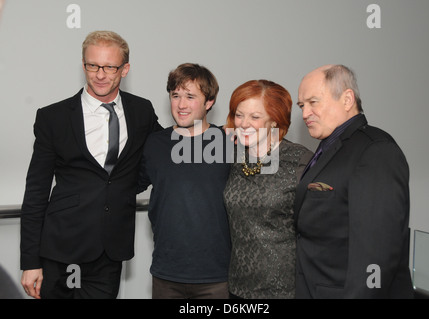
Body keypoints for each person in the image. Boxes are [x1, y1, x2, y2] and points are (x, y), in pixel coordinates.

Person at [20, 30, 162, 299]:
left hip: (110, 253)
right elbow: (36, 191)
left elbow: (163, 150)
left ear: (125, 69)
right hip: (60, 249)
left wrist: (215, 135)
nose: (100, 74)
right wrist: (30, 261)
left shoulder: (141, 111)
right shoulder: (53, 117)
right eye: (93, 65)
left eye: (109, 67)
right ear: (84, 65)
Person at [294, 64, 414, 298]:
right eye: (301, 106)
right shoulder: (329, 148)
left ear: (347, 99)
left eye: (313, 102)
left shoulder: (375, 151)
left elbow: (376, 255)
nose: (305, 113)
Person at [138, 63, 231, 299]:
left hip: (218, 275)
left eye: (190, 96)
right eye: (175, 95)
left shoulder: (229, 142)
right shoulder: (154, 144)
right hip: (166, 273)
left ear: (209, 102)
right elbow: (122, 187)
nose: (181, 104)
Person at [223, 80, 313, 299]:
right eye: (239, 114)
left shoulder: (300, 161)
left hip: (283, 289)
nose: (243, 124)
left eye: (255, 117)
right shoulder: (233, 156)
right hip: (237, 285)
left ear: (274, 120)